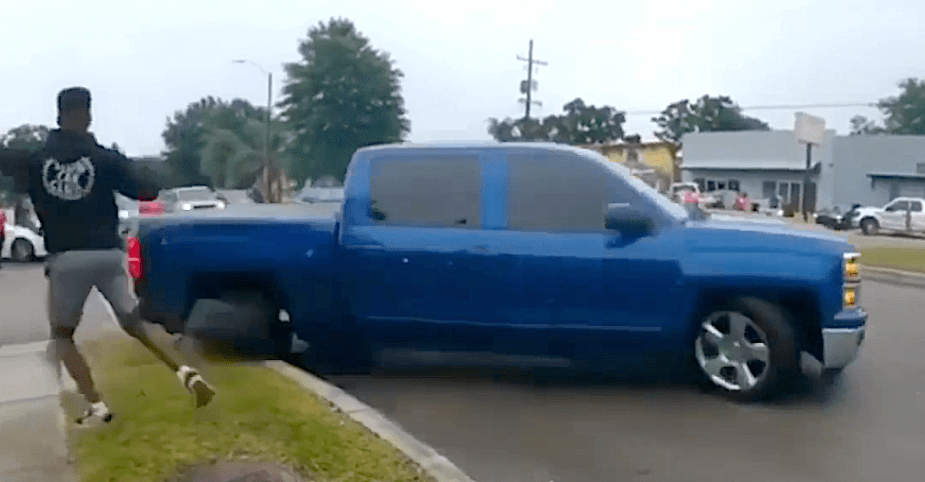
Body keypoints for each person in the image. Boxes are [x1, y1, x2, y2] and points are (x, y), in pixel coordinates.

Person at [29, 87, 215, 425]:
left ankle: (97, 405)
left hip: (67, 258)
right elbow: (148, 190)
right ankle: (187, 374)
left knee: (62, 335)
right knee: (135, 323)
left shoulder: (35, 159)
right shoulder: (104, 158)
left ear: (59, 114)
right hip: (108, 254)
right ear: (86, 115)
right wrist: (122, 162)